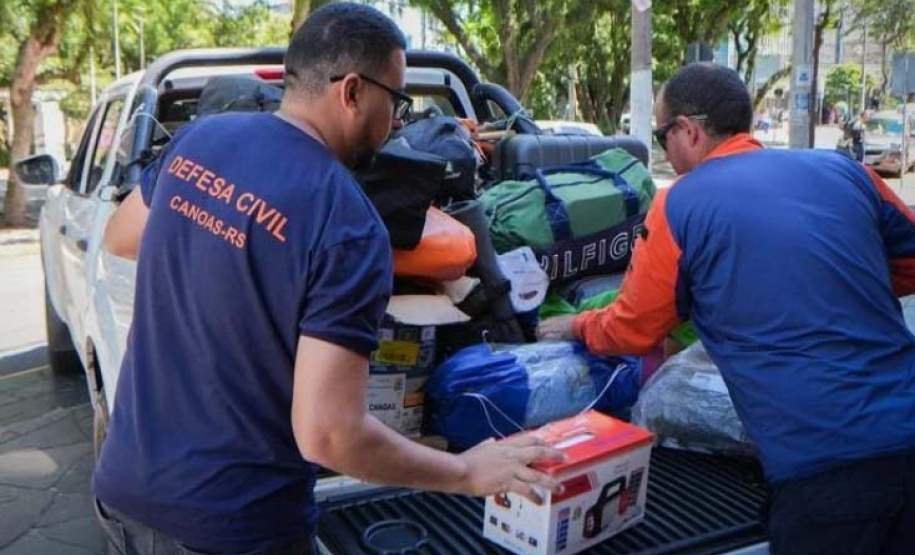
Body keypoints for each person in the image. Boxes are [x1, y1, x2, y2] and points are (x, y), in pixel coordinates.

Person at [95, 4, 563, 554]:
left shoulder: (202, 140)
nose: (396, 121)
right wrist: (463, 471)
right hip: (233, 528)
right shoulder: (346, 222)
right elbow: (329, 434)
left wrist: (232, 257)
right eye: (396, 100)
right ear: (353, 92)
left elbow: (121, 235)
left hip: (123, 494)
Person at [538, 63, 915, 555]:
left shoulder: (682, 204)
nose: (664, 152)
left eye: (660, 135)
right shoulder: (844, 170)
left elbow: (633, 329)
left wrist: (574, 324)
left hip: (826, 477)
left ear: (688, 131)